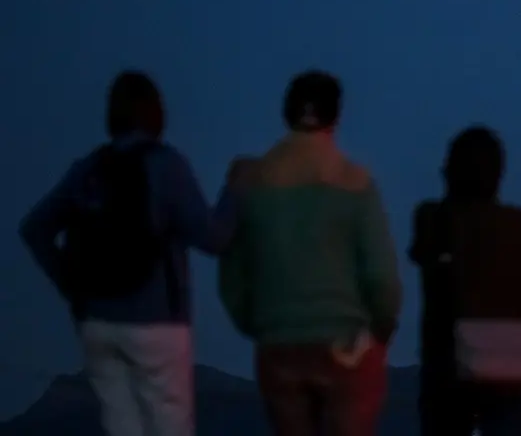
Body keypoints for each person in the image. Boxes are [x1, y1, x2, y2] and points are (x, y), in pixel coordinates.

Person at [18, 69, 238, 436]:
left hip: (98, 322)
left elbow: (34, 229)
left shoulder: (88, 170)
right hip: (156, 322)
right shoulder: (164, 165)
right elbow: (213, 239)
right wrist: (237, 191)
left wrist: (72, 289)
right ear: (156, 113)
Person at [218, 69, 402, 436]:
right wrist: (380, 332)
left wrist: (259, 324)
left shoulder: (253, 184)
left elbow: (232, 272)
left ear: (287, 114)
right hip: (344, 345)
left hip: (278, 343)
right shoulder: (356, 183)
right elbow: (382, 280)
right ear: (336, 115)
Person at [408, 125, 521, 436]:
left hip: (448, 370)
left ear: (450, 170)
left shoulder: (433, 218)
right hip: (513, 370)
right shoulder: (518, 224)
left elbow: (423, 255)